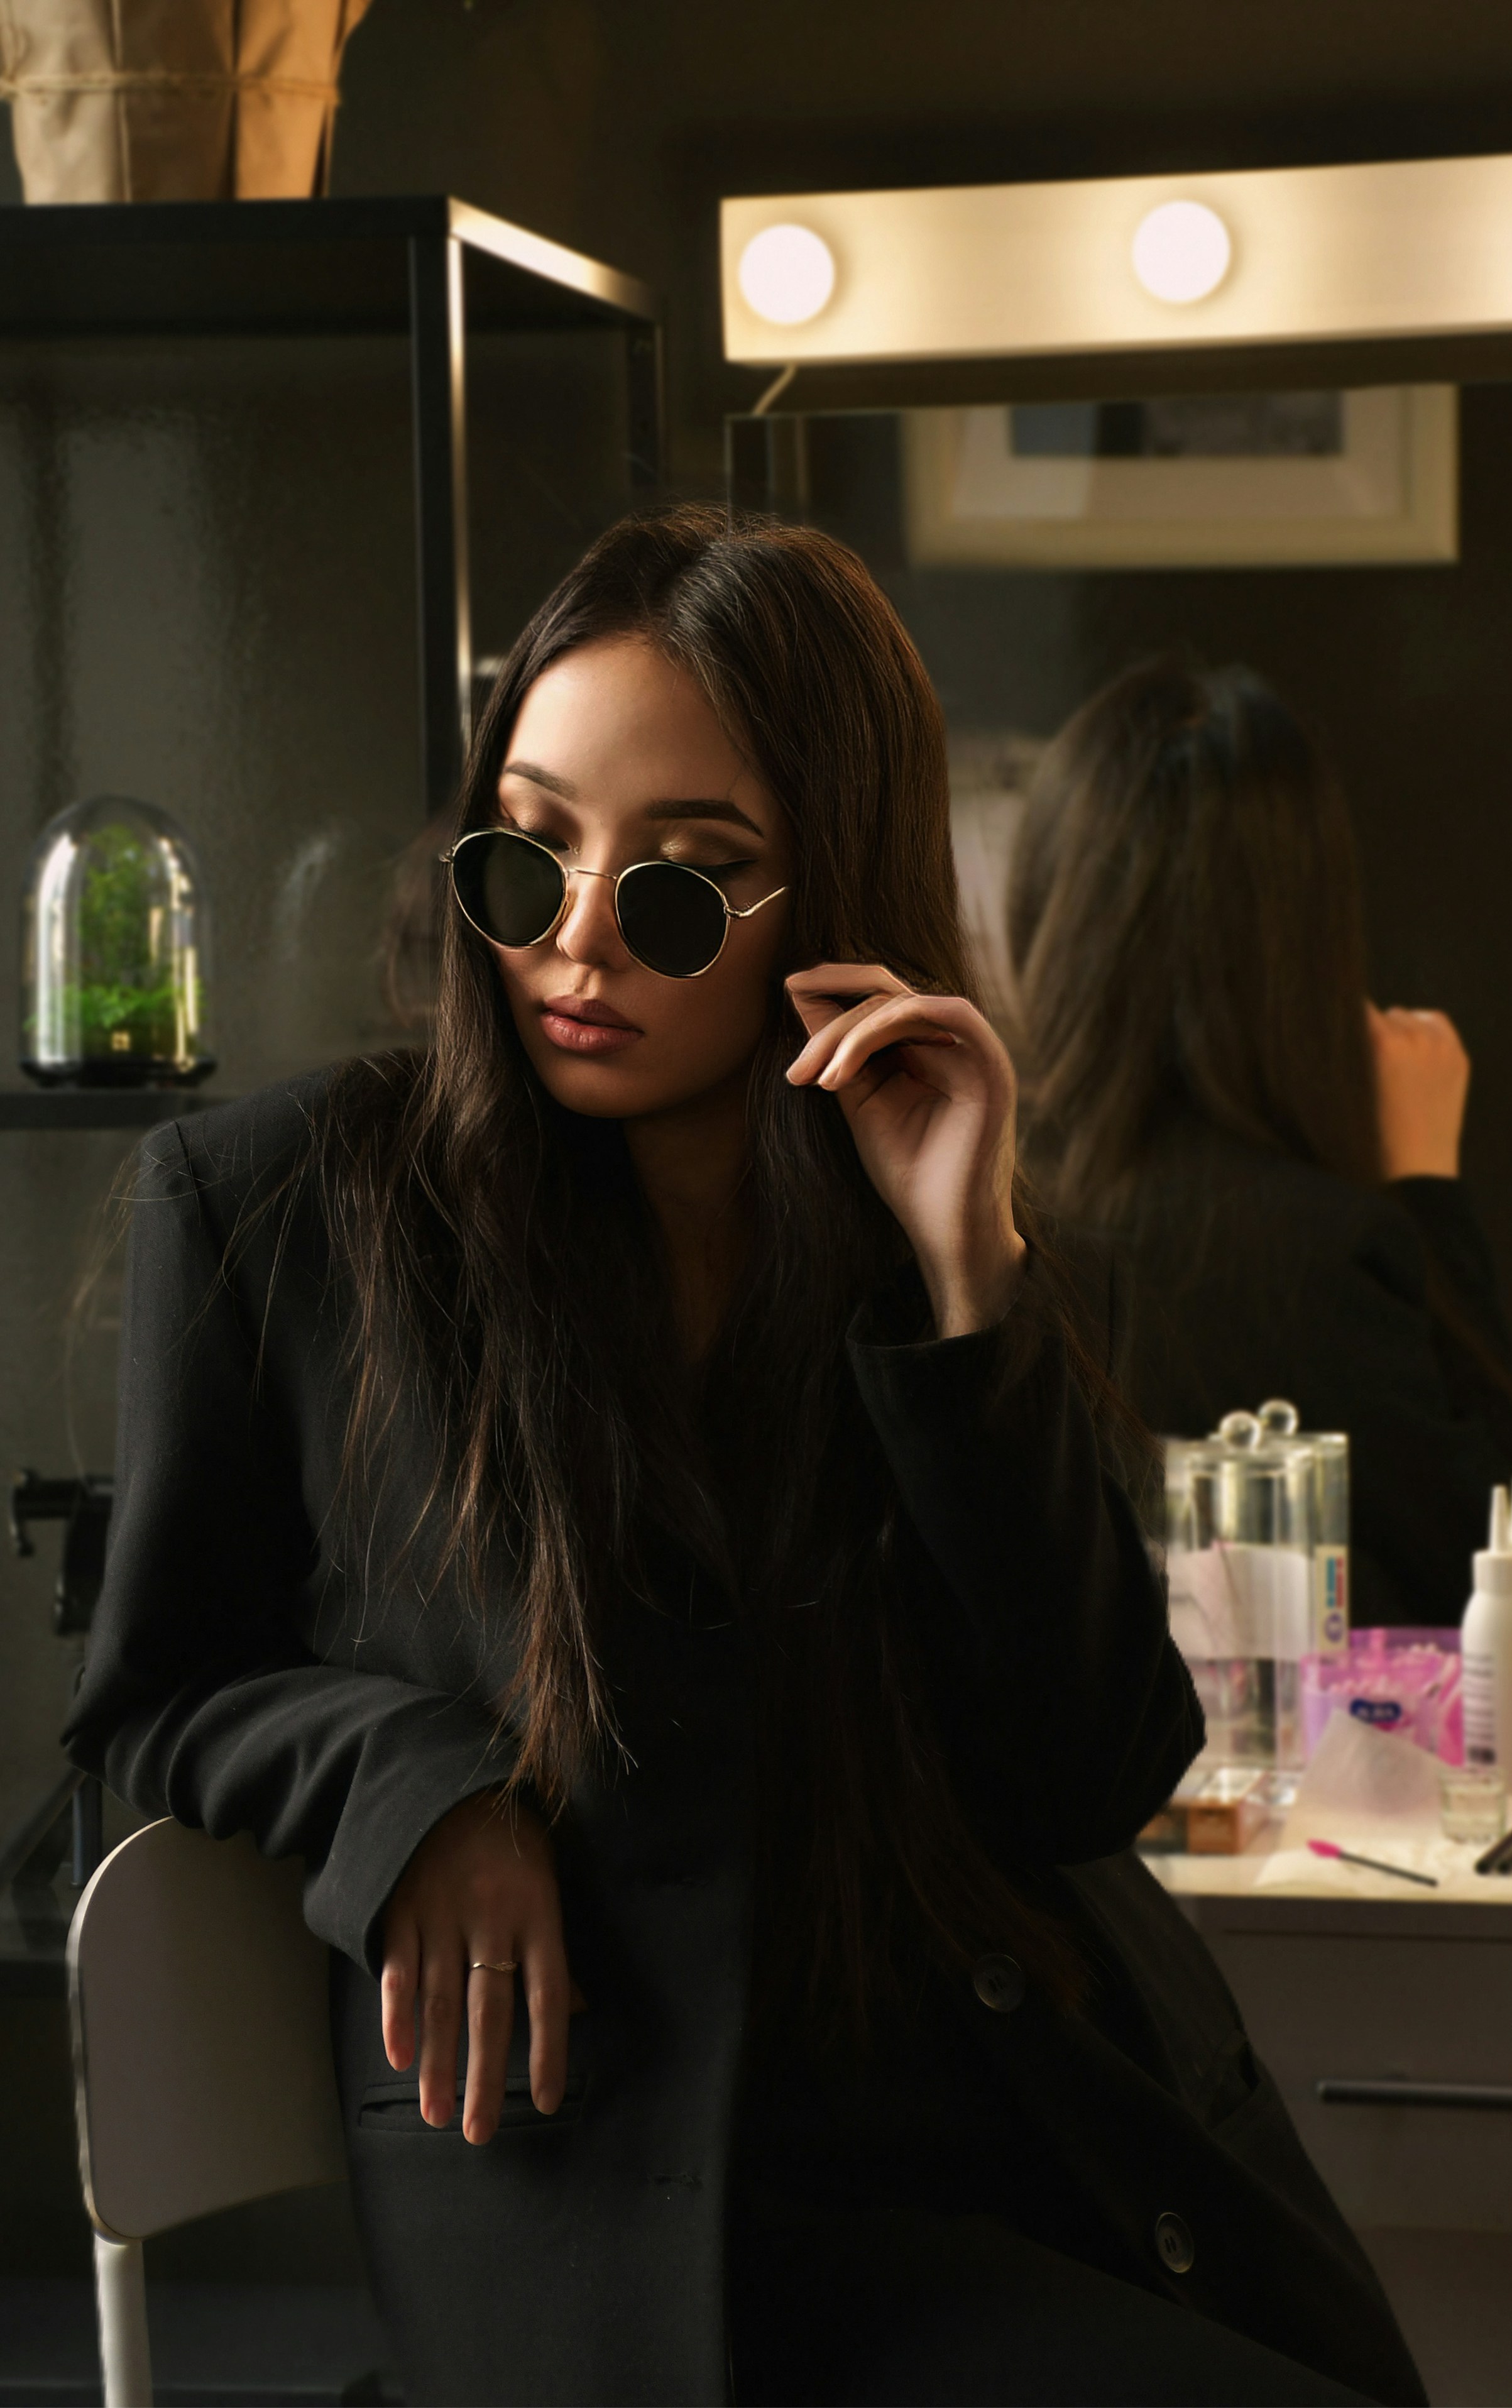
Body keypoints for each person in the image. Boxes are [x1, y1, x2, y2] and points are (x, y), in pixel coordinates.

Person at [66, 515, 1423, 2408]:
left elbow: (1085, 1770)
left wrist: (966, 1282)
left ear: (826, 898)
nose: (575, 937)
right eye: (524, 849)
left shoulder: (906, 1239)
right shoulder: (278, 1208)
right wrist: (413, 1776)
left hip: (1002, 2151)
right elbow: (154, 1695)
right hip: (619, 2212)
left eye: (685, 884)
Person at [1007, 656, 1512, 1629]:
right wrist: (1426, 1188)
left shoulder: (973, 1220)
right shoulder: (1321, 1252)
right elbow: (1497, 1567)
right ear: (1305, 931)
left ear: (1046, 895)